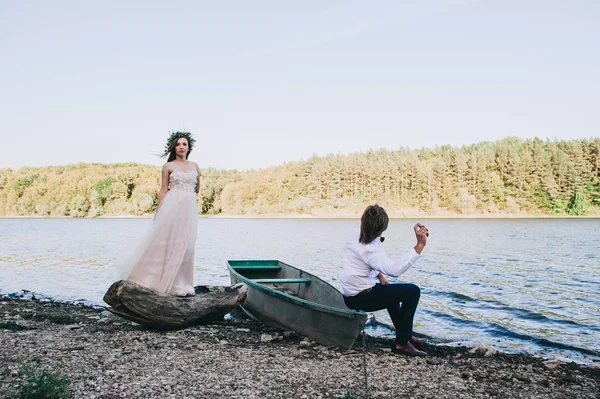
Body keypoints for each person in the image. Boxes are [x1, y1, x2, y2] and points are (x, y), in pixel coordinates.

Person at [114, 131, 200, 297]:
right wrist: (159, 211)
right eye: (178, 144)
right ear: (173, 147)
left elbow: (196, 189)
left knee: (187, 245)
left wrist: (187, 197)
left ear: (189, 148)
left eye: (184, 144)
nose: (181, 147)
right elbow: (163, 190)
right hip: (172, 206)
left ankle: (184, 284)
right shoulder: (168, 166)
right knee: (167, 243)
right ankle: (155, 281)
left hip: (189, 209)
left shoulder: (195, 166)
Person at [340, 204, 429, 356]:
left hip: (349, 294)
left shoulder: (355, 234)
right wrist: (419, 245)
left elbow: (363, 262)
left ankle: (405, 334)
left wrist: (380, 275)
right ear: (382, 229)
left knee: (391, 293)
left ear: (363, 222)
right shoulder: (371, 249)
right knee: (413, 292)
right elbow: (395, 270)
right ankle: (401, 343)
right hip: (360, 298)